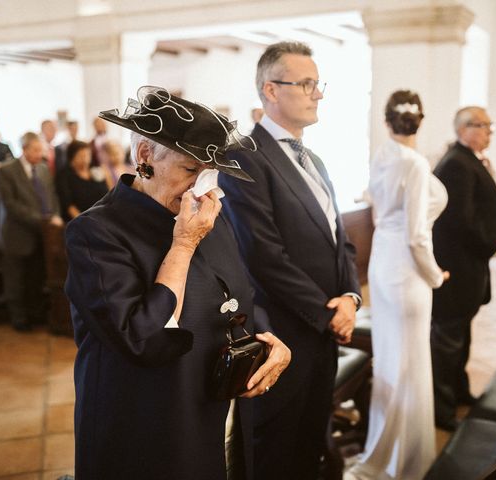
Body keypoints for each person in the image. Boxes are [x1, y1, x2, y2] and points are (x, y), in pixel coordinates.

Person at [65, 86, 291, 480]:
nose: (202, 188)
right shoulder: (96, 233)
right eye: (190, 170)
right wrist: (183, 244)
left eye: (210, 173)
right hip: (147, 426)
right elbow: (140, 337)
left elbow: (238, 298)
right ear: (145, 155)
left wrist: (269, 342)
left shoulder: (212, 215)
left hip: (216, 413)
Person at [219, 42, 361, 480]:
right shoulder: (245, 156)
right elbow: (264, 256)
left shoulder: (313, 158)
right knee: (273, 452)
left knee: (309, 446)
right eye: (305, 83)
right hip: (282, 328)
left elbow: (341, 240)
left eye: (318, 84)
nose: (317, 93)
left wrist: (351, 297)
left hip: (322, 331)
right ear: (271, 90)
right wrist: (327, 312)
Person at [345, 90, 449, 480]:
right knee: (411, 363)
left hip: (382, 265)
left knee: (392, 359)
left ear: (388, 122)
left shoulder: (382, 155)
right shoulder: (416, 164)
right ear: (419, 122)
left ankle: (386, 450)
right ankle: (405, 461)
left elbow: (375, 205)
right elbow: (418, 235)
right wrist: (436, 275)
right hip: (408, 270)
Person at [430, 106, 496, 431]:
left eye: (490, 125)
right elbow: (461, 221)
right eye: (484, 125)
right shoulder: (456, 165)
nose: (490, 131)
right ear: (465, 128)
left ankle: (460, 394)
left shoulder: (469, 159)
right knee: (448, 341)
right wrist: (493, 243)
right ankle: (442, 411)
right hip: (456, 269)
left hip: (468, 268)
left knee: (461, 335)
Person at [0, 132, 63, 331]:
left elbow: (51, 197)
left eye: (41, 149)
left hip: (42, 234)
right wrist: (41, 221)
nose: (40, 153)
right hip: (17, 233)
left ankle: (36, 313)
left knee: (36, 276)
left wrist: (55, 217)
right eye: (35, 150)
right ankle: (19, 318)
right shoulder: (6, 171)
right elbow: (11, 204)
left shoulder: (43, 169)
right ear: (24, 149)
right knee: (15, 278)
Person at [55, 140, 108, 222]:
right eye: (81, 156)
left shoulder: (95, 170)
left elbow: (106, 195)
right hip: (78, 220)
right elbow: (68, 205)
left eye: (88, 155)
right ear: (72, 157)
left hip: (100, 218)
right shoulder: (64, 175)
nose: (85, 159)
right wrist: (83, 222)